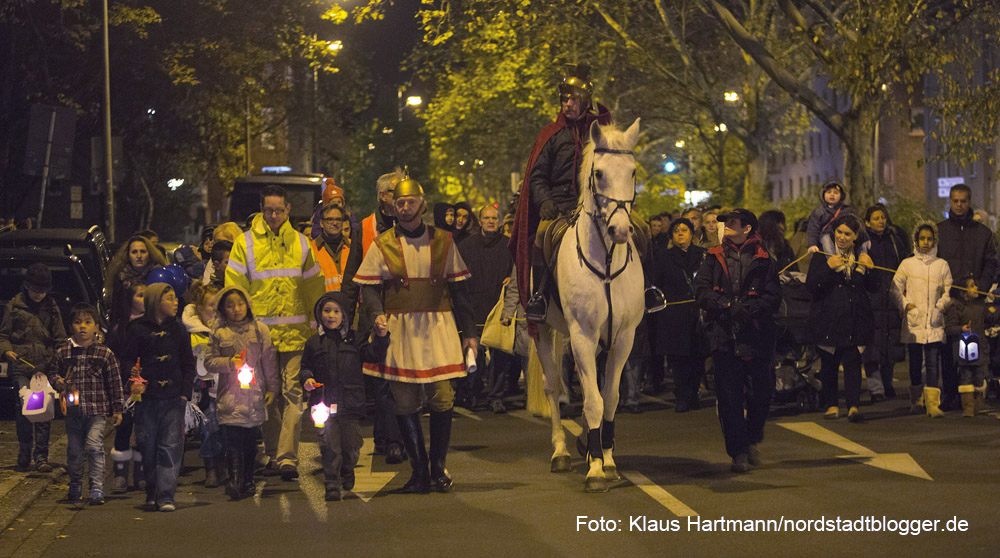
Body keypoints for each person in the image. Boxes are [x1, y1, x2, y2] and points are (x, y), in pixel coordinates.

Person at [353, 176, 478, 494]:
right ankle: (420, 471)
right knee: (404, 401)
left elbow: (461, 291)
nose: (406, 207)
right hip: (400, 330)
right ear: (392, 207)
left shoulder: (444, 241)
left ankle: (438, 467)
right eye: (400, 203)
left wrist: (470, 334)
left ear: (422, 204)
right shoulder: (382, 244)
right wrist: (375, 314)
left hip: (439, 327)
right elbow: (367, 287)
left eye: (411, 202)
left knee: (442, 397)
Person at [225, 185, 323, 481]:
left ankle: (285, 458)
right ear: (261, 209)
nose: (274, 215)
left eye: (279, 210)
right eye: (269, 210)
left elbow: (314, 288)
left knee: (294, 395)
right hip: (260, 337)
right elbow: (235, 288)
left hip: (296, 334)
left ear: (288, 209)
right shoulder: (244, 243)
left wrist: (317, 324)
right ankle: (274, 451)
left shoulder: (303, 244)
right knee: (267, 396)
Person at [510, 63, 613, 321]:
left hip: (599, 206)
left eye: (573, 98)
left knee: (638, 230)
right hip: (560, 208)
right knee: (541, 238)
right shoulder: (551, 134)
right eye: (564, 99)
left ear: (585, 100)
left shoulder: (599, 131)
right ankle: (540, 297)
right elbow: (537, 176)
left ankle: (646, 291)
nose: (567, 104)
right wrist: (544, 200)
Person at [693, 209, 780, 473]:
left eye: (731, 223)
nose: (725, 227)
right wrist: (726, 305)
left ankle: (752, 437)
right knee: (729, 398)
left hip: (757, 336)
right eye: (725, 223)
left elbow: (773, 297)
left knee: (762, 394)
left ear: (747, 229)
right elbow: (701, 291)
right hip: (724, 335)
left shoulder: (765, 260)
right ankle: (738, 452)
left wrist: (751, 309)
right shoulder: (712, 257)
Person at [342, 169, 405, 465]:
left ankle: (387, 437)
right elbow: (352, 277)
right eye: (397, 192)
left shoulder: (411, 224)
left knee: (399, 381)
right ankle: (392, 441)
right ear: (383, 196)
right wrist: (343, 318)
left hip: (405, 314)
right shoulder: (365, 228)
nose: (404, 197)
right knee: (381, 382)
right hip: (373, 315)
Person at [302, 291, 390, 501]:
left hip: (350, 403)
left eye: (336, 311)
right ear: (319, 313)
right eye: (326, 311)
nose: (331, 315)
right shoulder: (314, 343)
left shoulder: (355, 340)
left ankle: (347, 469)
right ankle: (331, 483)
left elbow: (374, 355)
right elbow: (306, 366)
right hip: (323, 403)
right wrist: (306, 379)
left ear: (344, 316)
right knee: (329, 445)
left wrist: (381, 337)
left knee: (350, 445)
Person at [120, 283, 196, 512]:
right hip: (147, 397)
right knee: (148, 445)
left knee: (171, 446)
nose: (175, 303)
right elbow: (126, 358)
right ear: (155, 302)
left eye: (175, 298)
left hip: (173, 396)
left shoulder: (179, 329)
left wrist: (185, 392)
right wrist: (130, 371)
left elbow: (187, 363)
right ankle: (151, 490)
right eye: (169, 299)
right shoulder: (136, 329)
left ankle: (166, 495)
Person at [206, 286, 278, 499]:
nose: (236, 309)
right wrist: (230, 363)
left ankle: (248, 479)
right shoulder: (219, 333)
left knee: (250, 442)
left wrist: (273, 388)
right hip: (230, 395)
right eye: (230, 305)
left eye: (240, 304)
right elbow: (209, 361)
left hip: (254, 395)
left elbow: (269, 361)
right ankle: (236, 479)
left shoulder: (259, 330)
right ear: (223, 309)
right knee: (232, 441)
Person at [51, 303, 125, 505]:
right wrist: (58, 382)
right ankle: (75, 484)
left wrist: (117, 409)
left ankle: (97, 486)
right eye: (77, 322)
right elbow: (53, 372)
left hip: (97, 410)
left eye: (87, 322)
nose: (82, 327)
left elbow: (115, 382)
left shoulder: (104, 354)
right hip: (73, 411)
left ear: (95, 326)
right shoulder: (64, 351)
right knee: (74, 450)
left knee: (94, 446)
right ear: (71, 326)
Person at [806, 215, 877, 423]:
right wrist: (829, 267)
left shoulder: (862, 255)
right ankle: (831, 404)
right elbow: (811, 285)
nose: (842, 238)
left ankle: (854, 405)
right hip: (828, 317)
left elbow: (875, 287)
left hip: (855, 317)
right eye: (839, 232)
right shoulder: (822, 255)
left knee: (853, 362)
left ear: (856, 236)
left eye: (847, 234)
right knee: (829, 363)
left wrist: (868, 269)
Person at [936, 183, 999, 410]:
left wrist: (981, 286)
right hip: (950, 299)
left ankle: (972, 395)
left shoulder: (983, 233)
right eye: (955, 200)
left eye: (963, 201)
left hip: (974, 301)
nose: (959, 205)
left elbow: (992, 263)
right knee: (948, 349)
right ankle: (950, 393)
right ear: (950, 202)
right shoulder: (940, 230)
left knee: (973, 348)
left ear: (969, 202)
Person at [1, 263, 66, 472]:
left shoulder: (51, 307)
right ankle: (24, 451)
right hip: (21, 367)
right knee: (25, 410)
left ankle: (41, 458)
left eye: (43, 291)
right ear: (27, 286)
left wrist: (60, 358)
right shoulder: (14, 306)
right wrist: (7, 351)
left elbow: (60, 337)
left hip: (43, 368)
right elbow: (3, 336)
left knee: (43, 412)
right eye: (36, 290)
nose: (39, 295)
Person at [457, 205, 515, 413]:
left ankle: (496, 397)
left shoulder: (508, 245)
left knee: (500, 356)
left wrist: (511, 278)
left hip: (498, 310)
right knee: (475, 354)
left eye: (494, 218)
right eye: (487, 218)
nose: (491, 221)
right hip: (474, 309)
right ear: (480, 221)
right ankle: (473, 393)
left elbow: (516, 271)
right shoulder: (466, 246)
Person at [892, 222, 952, 416]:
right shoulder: (907, 264)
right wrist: (906, 305)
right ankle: (916, 399)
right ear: (916, 241)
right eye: (922, 239)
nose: (925, 242)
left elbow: (948, 290)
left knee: (933, 361)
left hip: (934, 321)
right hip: (915, 321)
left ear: (934, 240)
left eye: (929, 239)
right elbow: (895, 288)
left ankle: (933, 403)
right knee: (915, 361)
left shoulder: (941, 265)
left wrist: (940, 307)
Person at [652, 218, 707, 413]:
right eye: (676, 231)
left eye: (684, 230)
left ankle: (694, 394)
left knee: (697, 357)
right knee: (678, 359)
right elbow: (655, 284)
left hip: (697, 314)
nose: (680, 234)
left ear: (692, 234)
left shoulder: (702, 255)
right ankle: (682, 396)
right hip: (674, 315)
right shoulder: (664, 257)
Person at [863, 204, 911, 402]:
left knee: (891, 343)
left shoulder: (895, 240)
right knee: (871, 346)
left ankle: (887, 382)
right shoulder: (864, 242)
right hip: (871, 298)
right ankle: (876, 388)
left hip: (891, 298)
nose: (880, 221)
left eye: (882, 217)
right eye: (875, 218)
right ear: (867, 222)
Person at [181, 281, 223, 488]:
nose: (215, 312)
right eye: (211, 306)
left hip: (229, 390)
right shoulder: (193, 335)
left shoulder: (228, 330)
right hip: (206, 392)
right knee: (209, 428)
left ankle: (229, 466)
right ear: (200, 309)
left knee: (229, 430)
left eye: (218, 306)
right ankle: (211, 468)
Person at [107, 281, 147, 492]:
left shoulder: (153, 325)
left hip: (146, 386)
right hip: (125, 386)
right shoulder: (119, 327)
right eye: (140, 295)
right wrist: (126, 370)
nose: (144, 299)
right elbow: (113, 357)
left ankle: (140, 472)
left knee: (144, 428)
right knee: (124, 426)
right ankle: (120, 471)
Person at [944, 276, 996, 417]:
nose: (976, 288)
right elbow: (949, 328)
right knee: (966, 377)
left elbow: (991, 319)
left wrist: (992, 303)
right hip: (964, 349)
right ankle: (967, 407)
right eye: (972, 286)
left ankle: (977, 405)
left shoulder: (981, 306)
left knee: (979, 377)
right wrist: (961, 329)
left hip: (980, 349)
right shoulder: (956, 308)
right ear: (963, 292)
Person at [106, 235, 168, 328]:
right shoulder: (121, 277)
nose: (139, 256)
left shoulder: (159, 276)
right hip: (128, 328)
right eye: (134, 252)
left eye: (143, 251)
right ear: (128, 255)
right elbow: (116, 310)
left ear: (149, 254)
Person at [311, 204, 361, 293]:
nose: (334, 223)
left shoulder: (353, 246)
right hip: (323, 304)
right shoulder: (311, 249)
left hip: (351, 304)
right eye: (329, 219)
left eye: (338, 219)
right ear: (321, 223)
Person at [806, 181, 865, 255]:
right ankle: (834, 260)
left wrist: (865, 238)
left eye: (836, 193)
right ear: (823, 194)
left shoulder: (847, 210)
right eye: (829, 192)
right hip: (826, 237)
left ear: (841, 195)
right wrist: (812, 244)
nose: (832, 195)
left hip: (844, 237)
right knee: (826, 239)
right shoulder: (819, 211)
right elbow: (813, 229)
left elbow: (859, 225)